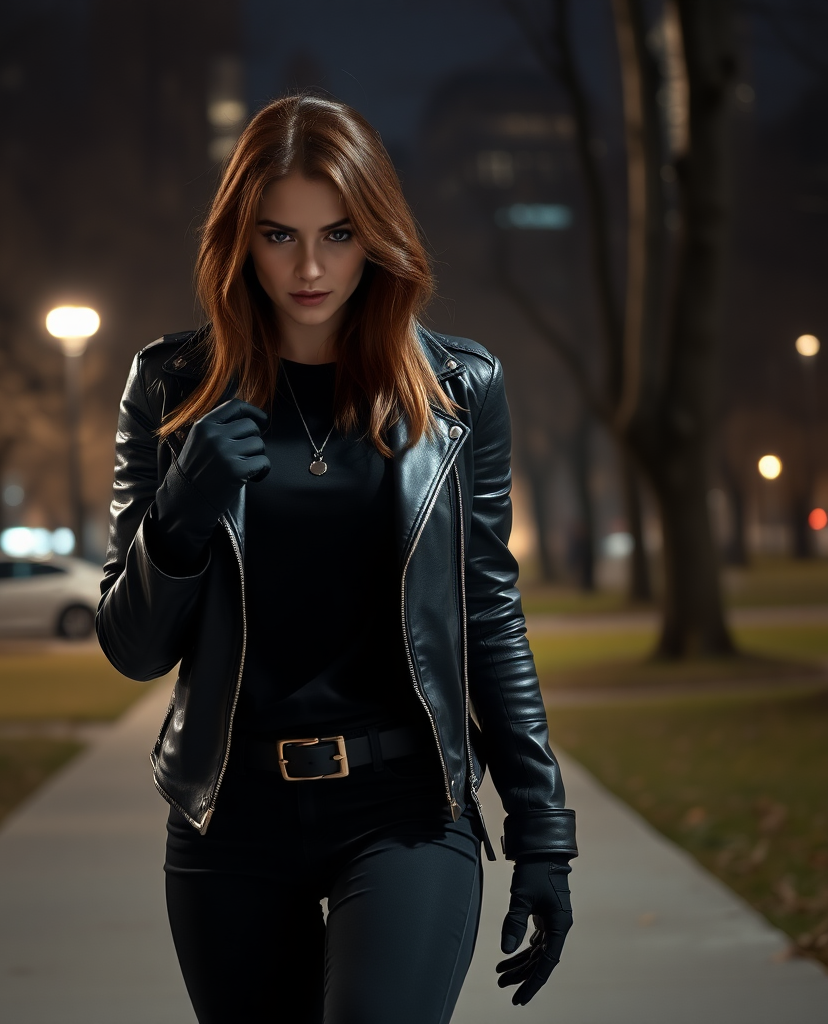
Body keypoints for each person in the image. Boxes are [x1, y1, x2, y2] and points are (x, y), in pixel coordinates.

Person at [96, 93, 577, 1024]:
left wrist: (543, 833)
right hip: (227, 815)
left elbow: (490, 616)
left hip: (403, 810)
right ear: (240, 239)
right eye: (279, 236)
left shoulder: (460, 391)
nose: (310, 267)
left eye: (339, 233)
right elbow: (131, 646)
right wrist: (181, 513)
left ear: (380, 234)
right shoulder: (169, 387)